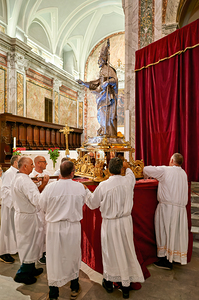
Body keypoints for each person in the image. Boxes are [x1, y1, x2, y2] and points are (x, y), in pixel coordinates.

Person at [85, 157, 144, 299]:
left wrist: (86, 191)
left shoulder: (104, 185)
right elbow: (130, 173)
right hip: (125, 222)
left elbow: (92, 204)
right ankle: (125, 286)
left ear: (108, 170)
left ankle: (109, 282)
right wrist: (127, 166)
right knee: (126, 250)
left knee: (110, 252)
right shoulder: (128, 181)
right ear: (121, 169)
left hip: (111, 223)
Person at [39, 161, 87, 300]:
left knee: (54, 258)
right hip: (72, 227)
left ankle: (53, 293)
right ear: (72, 172)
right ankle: (74, 287)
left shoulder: (50, 188)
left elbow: (41, 205)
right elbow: (86, 203)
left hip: (54, 227)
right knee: (73, 256)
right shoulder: (79, 187)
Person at [143, 153, 189, 270]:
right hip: (180, 209)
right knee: (175, 233)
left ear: (172, 160)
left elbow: (146, 169)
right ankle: (173, 257)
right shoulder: (183, 173)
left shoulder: (165, 170)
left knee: (164, 231)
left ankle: (165, 259)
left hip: (167, 208)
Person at [11, 156, 47, 285]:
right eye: (31, 164)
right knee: (28, 244)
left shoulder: (18, 178)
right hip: (28, 217)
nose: (33, 167)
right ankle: (22, 273)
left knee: (31, 243)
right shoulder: (25, 181)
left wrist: (36, 184)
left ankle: (30, 268)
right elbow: (37, 200)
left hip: (23, 215)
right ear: (24, 166)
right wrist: (43, 185)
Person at [77, 39, 118, 137]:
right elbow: (94, 84)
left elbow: (115, 80)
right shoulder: (101, 72)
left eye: (100, 60)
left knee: (107, 116)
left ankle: (107, 132)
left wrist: (108, 82)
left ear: (104, 60)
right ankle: (103, 130)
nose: (98, 62)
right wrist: (83, 83)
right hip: (101, 97)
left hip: (108, 97)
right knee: (101, 115)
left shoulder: (109, 69)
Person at [29, 155, 50, 264]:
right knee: (40, 230)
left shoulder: (46, 174)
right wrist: (44, 184)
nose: (46, 164)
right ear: (38, 163)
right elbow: (36, 194)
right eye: (44, 162)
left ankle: (46, 252)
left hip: (47, 207)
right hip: (37, 208)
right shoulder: (31, 176)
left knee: (46, 230)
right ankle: (41, 253)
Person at [0, 155, 19, 263]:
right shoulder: (8, 174)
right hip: (9, 206)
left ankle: (12, 248)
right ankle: (3, 252)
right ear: (15, 163)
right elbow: (5, 190)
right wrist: (15, 198)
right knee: (7, 229)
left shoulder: (16, 173)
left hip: (15, 205)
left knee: (13, 228)